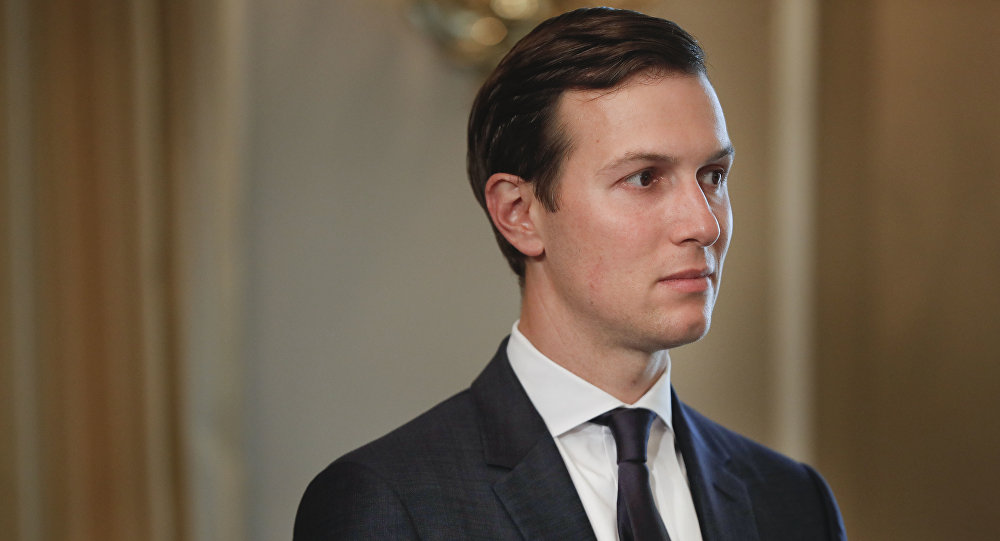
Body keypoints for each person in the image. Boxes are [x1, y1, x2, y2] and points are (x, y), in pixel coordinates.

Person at [294, 7, 846, 540]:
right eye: (644, 178)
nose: (704, 224)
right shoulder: (389, 501)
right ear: (519, 213)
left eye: (713, 176)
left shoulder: (793, 501)